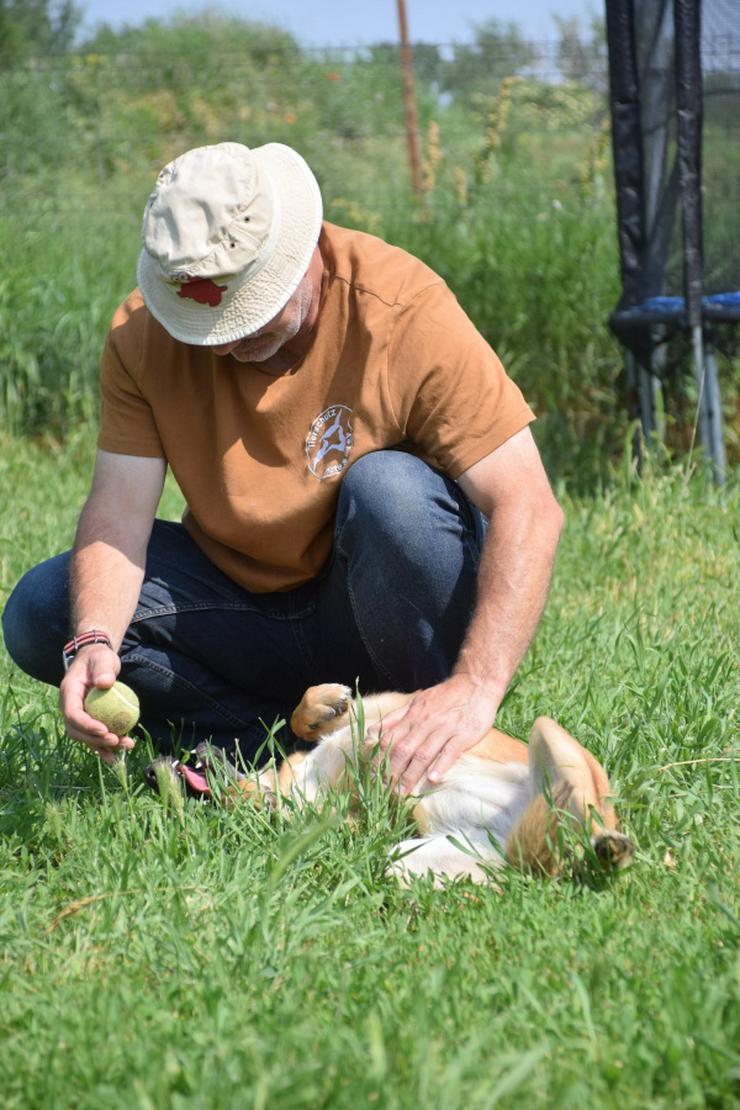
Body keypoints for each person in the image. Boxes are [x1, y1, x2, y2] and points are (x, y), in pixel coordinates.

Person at [2, 141, 564, 795]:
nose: (231, 341)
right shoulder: (140, 336)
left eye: (249, 309)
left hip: (375, 608)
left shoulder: (402, 308)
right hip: (241, 612)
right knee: (46, 611)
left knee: (391, 494)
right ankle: (265, 756)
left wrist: (476, 685)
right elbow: (119, 512)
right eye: (208, 325)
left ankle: (430, 733)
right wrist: (93, 641)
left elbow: (528, 503)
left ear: (301, 248)